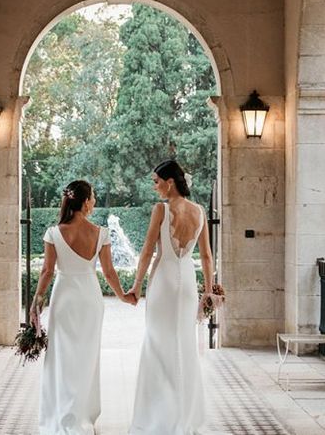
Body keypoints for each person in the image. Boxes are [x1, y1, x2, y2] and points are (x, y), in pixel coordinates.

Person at [31, 180, 136, 435]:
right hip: (89, 297)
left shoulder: (54, 232)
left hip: (64, 296)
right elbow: (109, 272)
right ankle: (82, 414)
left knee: (62, 356)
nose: (95, 201)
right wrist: (123, 296)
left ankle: (63, 412)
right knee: (87, 356)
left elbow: (47, 271)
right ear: (86, 201)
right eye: (94, 197)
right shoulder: (100, 233)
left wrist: (36, 301)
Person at [126, 160, 214, 435]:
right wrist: (209, 292)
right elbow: (208, 256)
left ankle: (160, 416)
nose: (155, 187)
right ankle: (184, 415)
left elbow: (148, 251)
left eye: (156, 181)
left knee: (157, 345)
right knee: (184, 345)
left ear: (170, 182)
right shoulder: (199, 211)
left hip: (164, 282)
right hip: (188, 283)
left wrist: (137, 286)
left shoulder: (162, 210)